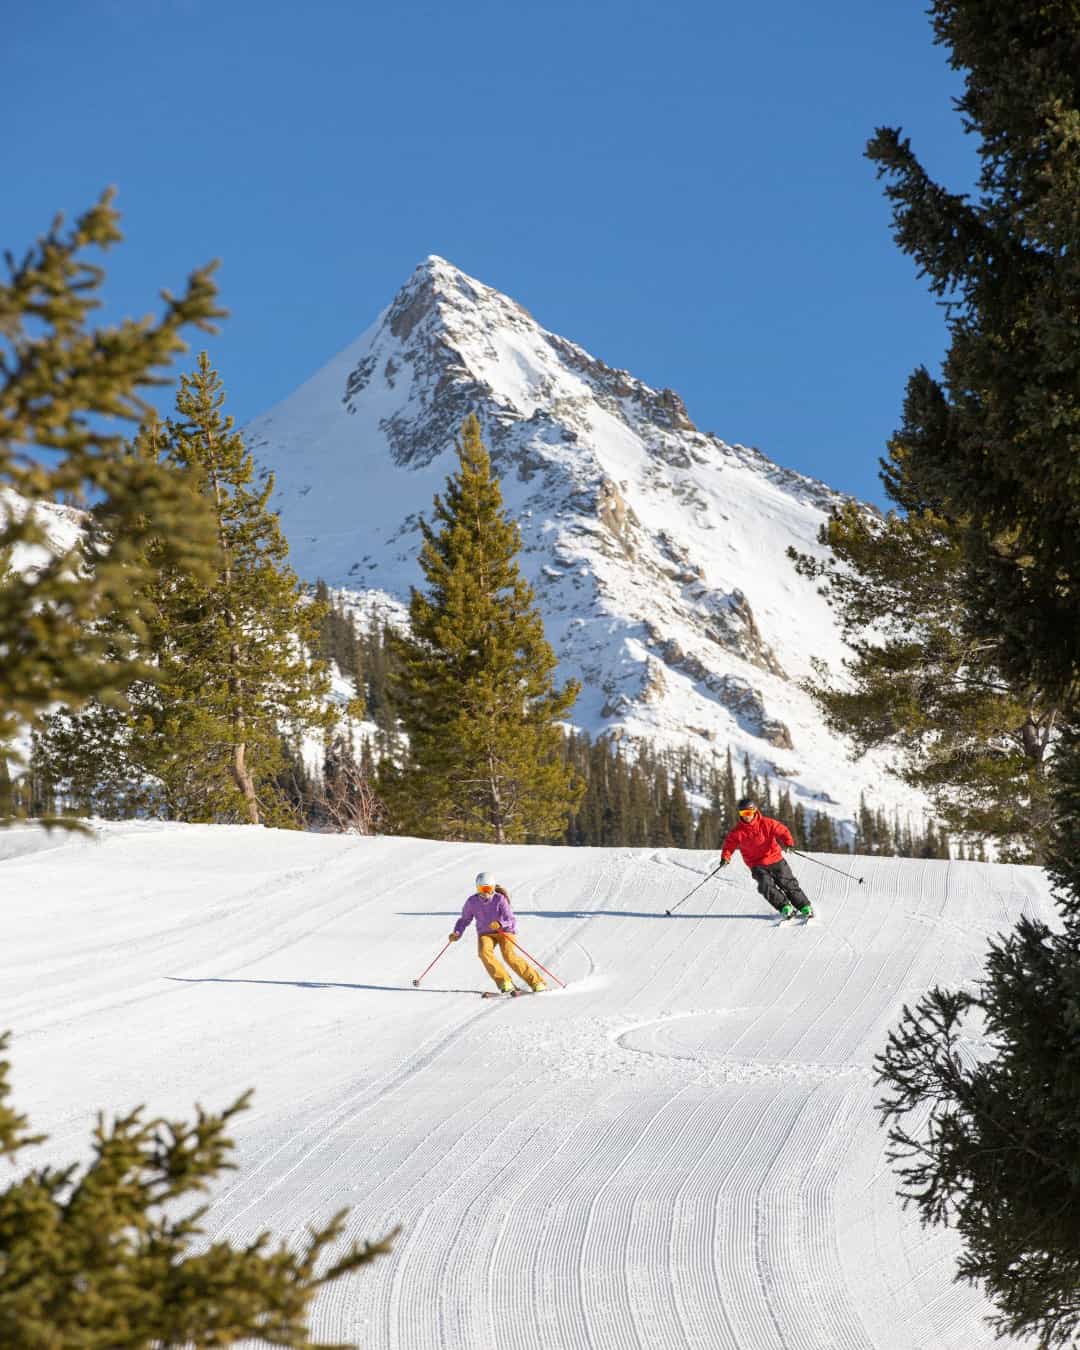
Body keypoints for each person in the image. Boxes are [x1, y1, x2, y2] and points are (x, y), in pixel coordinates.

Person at [449, 872, 547, 993]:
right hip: (485, 933)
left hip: (504, 931)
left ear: (493, 888)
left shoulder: (500, 899)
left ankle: (536, 982)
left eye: (488, 889)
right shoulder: (472, 902)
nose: (485, 892)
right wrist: (457, 932)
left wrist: (500, 924)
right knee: (484, 953)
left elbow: (510, 919)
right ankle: (504, 981)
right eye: (481, 889)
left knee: (509, 955)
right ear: (477, 888)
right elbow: (464, 919)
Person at [720, 797, 813, 919]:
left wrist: (788, 843)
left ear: (754, 811)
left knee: (787, 883)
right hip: (756, 864)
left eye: (748, 813)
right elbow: (729, 845)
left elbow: (783, 831)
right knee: (765, 886)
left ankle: (804, 906)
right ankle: (785, 907)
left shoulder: (766, 823)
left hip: (775, 859)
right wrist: (725, 857)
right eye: (742, 813)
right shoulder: (737, 832)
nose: (746, 816)